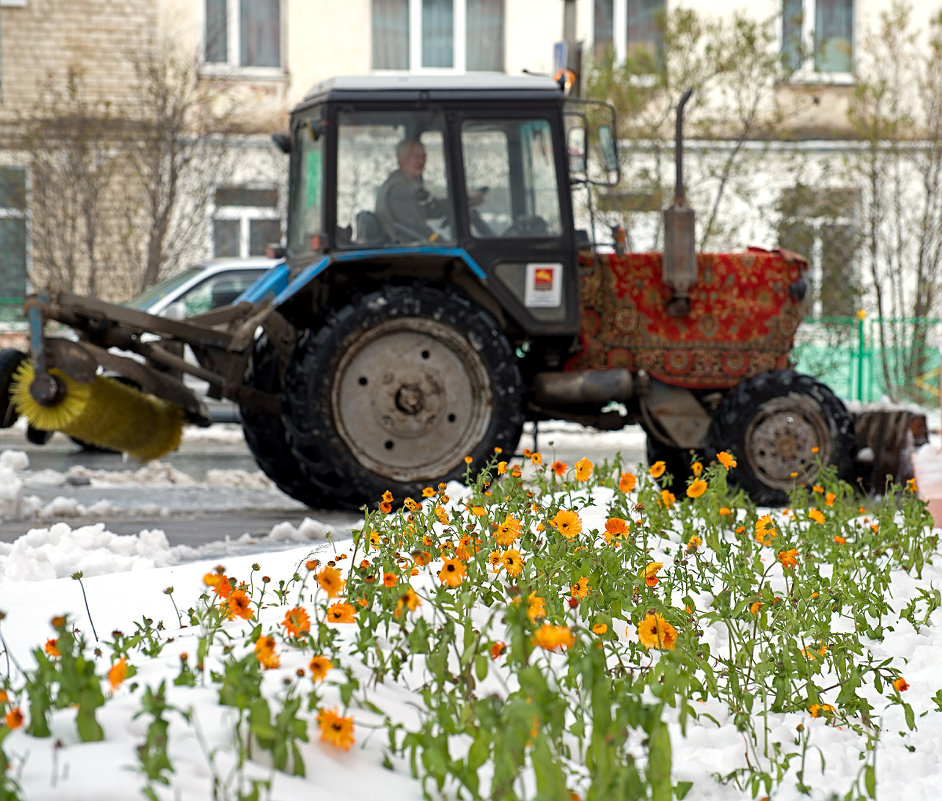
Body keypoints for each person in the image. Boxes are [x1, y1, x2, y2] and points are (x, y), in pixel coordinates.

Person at [375, 138, 451, 243]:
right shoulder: (399, 190)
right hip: (405, 249)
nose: (421, 161)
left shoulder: (409, 186)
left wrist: (464, 202)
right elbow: (418, 231)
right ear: (401, 158)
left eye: (423, 156)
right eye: (416, 156)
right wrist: (443, 244)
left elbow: (433, 207)